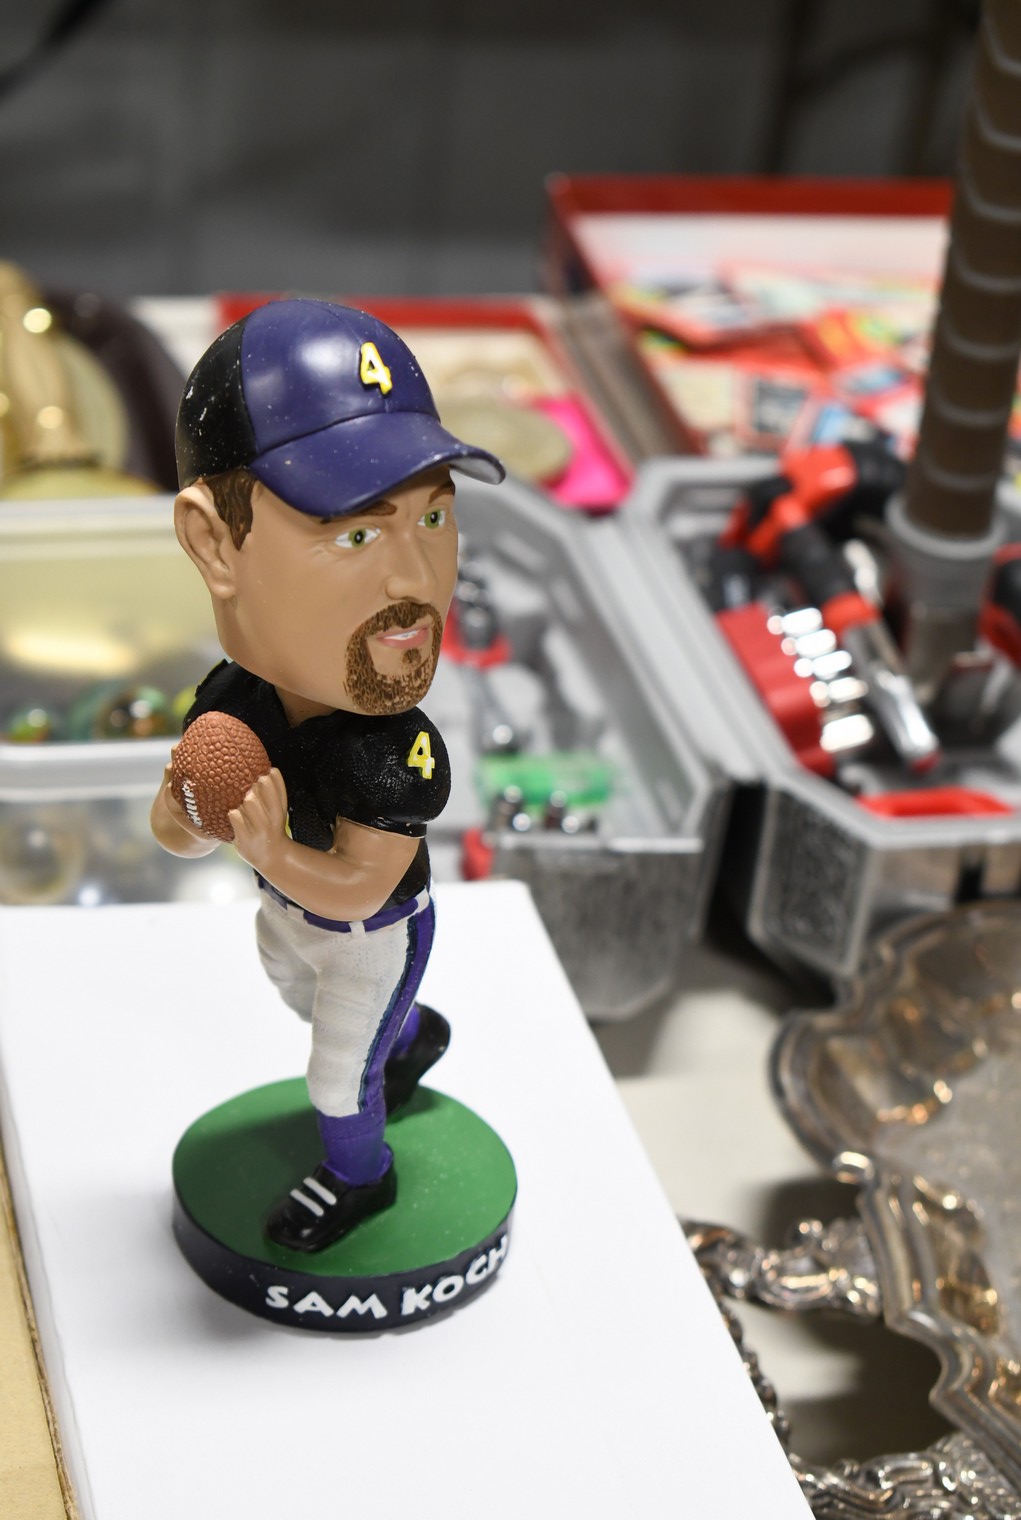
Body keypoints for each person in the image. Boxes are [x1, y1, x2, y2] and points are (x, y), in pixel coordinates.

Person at [150, 298, 504, 1252]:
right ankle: (412, 1038)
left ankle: (359, 1179)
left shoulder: (391, 749)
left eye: (434, 516)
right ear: (213, 545)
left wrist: (266, 848)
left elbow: (360, 889)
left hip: (368, 932)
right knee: (296, 994)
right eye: (355, 533)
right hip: (287, 917)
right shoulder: (234, 700)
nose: (414, 579)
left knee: (336, 1078)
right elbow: (175, 832)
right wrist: (189, 803)